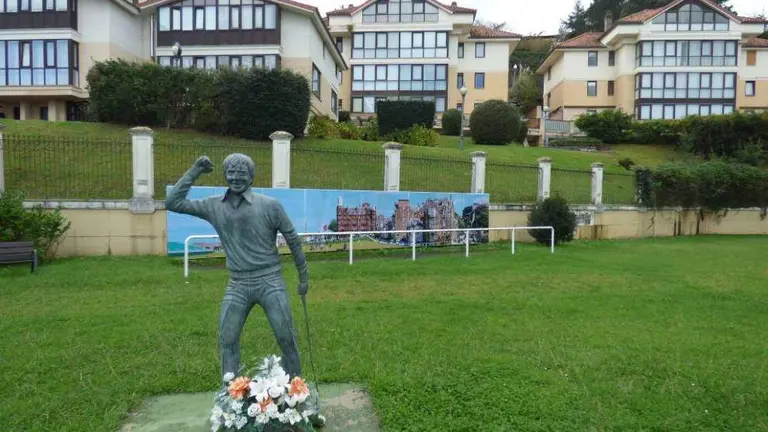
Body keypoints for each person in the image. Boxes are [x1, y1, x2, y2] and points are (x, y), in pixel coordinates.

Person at [166, 154, 325, 427]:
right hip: (237, 283)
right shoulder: (213, 205)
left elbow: (293, 240)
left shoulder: (269, 205)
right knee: (227, 339)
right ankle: (230, 400)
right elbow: (173, 202)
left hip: (270, 280)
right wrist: (195, 170)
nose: (236, 178)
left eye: (242, 173)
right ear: (225, 175)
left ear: (252, 177)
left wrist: (303, 277)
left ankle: (298, 397)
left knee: (286, 337)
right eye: (231, 172)